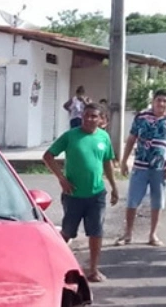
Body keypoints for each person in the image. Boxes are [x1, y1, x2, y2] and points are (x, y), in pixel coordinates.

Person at [43, 103, 119, 283]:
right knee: (68, 232)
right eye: (86, 115)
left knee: (96, 232)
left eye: (94, 116)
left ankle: (93, 269)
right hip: (73, 195)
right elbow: (48, 156)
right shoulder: (71, 136)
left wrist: (114, 187)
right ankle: (53, 266)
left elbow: (107, 163)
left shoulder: (103, 137)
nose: (89, 119)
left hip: (96, 195)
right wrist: (61, 179)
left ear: (101, 120)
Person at [116, 89, 166, 247]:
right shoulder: (141, 117)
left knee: (157, 201)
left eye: (165, 101)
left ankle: (153, 234)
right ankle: (127, 233)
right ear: (153, 101)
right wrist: (124, 161)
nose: (161, 103)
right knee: (132, 200)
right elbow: (132, 138)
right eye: (159, 100)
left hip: (161, 167)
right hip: (140, 165)